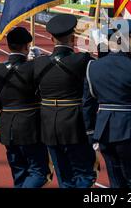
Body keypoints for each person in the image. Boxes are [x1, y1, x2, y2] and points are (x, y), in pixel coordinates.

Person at [83, 19, 131, 188]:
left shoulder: (93, 67)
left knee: (116, 182)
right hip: (129, 130)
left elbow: (88, 105)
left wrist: (91, 133)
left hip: (104, 132)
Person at [34, 14, 97, 188]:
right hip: (74, 125)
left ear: (51, 38)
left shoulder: (38, 63)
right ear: (74, 37)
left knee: (64, 177)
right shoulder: (83, 60)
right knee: (85, 174)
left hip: (48, 125)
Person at [0, 27, 52, 188]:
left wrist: (5, 106)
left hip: (7, 125)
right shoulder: (33, 67)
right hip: (30, 125)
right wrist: (38, 59)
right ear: (27, 47)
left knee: (19, 172)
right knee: (40, 173)